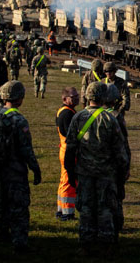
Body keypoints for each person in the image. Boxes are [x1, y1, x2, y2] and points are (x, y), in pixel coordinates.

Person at [64, 82, 130, 255]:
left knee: (85, 208)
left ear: (87, 96)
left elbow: (70, 149)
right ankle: (106, 244)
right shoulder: (110, 120)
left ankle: (85, 244)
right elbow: (120, 152)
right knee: (106, 208)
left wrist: (71, 173)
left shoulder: (78, 118)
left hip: (84, 172)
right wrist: (123, 173)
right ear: (104, 97)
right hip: (106, 173)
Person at [0, 81, 42, 256]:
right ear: (19, 98)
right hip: (14, 172)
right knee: (19, 209)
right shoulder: (19, 120)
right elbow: (26, 149)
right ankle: (20, 245)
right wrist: (35, 169)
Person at [104, 83, 130, 241]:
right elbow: (123, 145)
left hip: (93, 165)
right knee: (116, 197)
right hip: (114, 165)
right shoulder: (116, 117)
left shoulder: (86, 116)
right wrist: (126, 166)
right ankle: (115, 227)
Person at [56, 87, 80, 221]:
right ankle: (67, 212)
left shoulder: (63, 111)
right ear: (65, 99)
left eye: (77, 96)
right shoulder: (67, 114)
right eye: (73, 96)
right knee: (69, 182)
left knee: (63, 180)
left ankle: (61, 209)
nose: (76, 98)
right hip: (68, 151)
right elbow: (70, 135)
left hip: (64, 149)